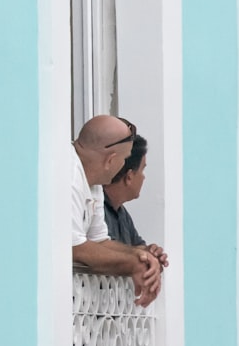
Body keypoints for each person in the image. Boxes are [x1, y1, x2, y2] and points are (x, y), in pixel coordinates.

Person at [71, 115, 161, 306]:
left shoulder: (93, 181)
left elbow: (99, 241)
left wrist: (141, 254)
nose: (124, 166)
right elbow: (75, 248)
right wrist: (131, 263)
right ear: (110, 160)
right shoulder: (69, 176)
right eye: (125, 158)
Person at [102, 134, 169, 271]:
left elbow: (136, 247)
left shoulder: (122, 213)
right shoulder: (94, 206)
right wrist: (140, 254)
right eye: (142, 169)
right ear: (129, 176)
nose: (144, 177)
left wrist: (151, 253)